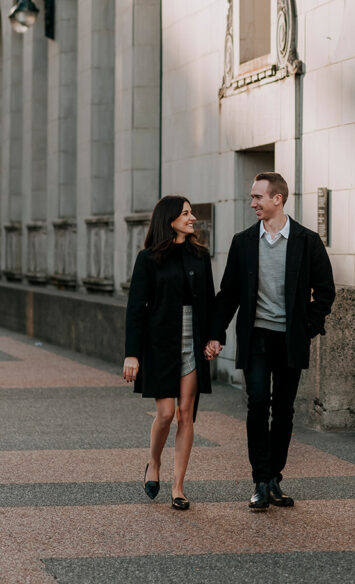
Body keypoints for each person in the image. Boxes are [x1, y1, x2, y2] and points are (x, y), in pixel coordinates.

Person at [205, 172, 335, 511]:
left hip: (291, 339)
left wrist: (308, 326)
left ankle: (275, 476)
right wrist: (217, 334)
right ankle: (260, 481)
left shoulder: (307, 241)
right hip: (257, 337)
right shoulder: (244, 241)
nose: (252, 203)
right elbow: (229, 293)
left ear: (277, 199)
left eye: (258, 197)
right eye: (252, 197)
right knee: (258, 402)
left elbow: (325, 291)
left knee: (284, 410)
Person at [123, 196, 215, 510]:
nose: (192, 218)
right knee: (164, 414)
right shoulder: (148, 258)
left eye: (191, 213)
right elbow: (135, 308)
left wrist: (214, 338)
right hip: (160, 345)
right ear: (170, 218)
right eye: (186, 213)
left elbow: (210, 301)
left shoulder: (200, 255)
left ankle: (178, 486)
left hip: (193, 342)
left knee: (186, 414)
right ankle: (153, 462)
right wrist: (132, 354)